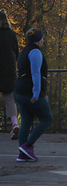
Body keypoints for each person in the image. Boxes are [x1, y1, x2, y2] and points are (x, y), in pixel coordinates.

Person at [13, 28, 53, 162]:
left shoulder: (24, 51)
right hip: (29, 92)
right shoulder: (35, 52)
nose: (43, 40)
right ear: (38, 39)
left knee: (26, 120)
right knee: (47, 118)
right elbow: (36, 74)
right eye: (42, 38)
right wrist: (36, 95)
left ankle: (22, 154)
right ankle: (28, 146)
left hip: (19, 91)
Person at [0, 9, 19, 139]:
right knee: (9, 98)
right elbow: (16, 53)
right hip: (9, 69)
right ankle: (14, 124)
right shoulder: (12, 34)